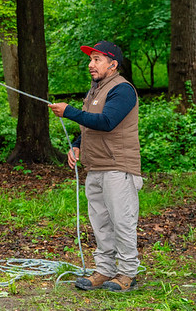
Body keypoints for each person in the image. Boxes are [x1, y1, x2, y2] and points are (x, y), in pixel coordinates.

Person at [48, 40, 142, 293]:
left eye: (97, 59)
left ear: (113, 65)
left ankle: (128, 274)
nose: (91, 64)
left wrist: (69, 111)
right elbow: (90, 126)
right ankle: (105, 270)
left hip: (118, 167)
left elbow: (107, 121)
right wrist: (77, 145)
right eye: (90, 59)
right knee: (100, 221)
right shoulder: (95, 90)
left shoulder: (122, 90)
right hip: (95, 166)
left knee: (122, 221)